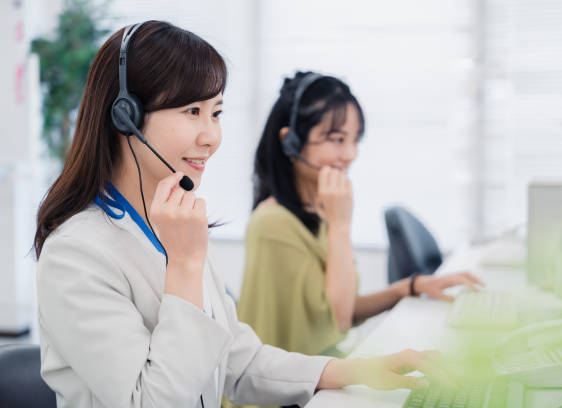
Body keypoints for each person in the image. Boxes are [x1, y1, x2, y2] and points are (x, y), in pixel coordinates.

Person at [33, 22, 449, 408]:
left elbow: (237, 358)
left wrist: (355, 370)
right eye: (192, 111)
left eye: (216, 113)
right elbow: (152, 401)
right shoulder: (76, 255)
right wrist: (184, 265)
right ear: (126, 117)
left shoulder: (176, 226)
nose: (211, 137)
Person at [238, 72, 483, 357]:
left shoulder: (318, 210)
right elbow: (338, 319)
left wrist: (412, 287)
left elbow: (343, 306)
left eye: (355, 139)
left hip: (317, 375)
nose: (350, 153)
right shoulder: (272, 224)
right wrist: (340, 225)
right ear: (290, 141)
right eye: (337, 139)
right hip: (283, 397)